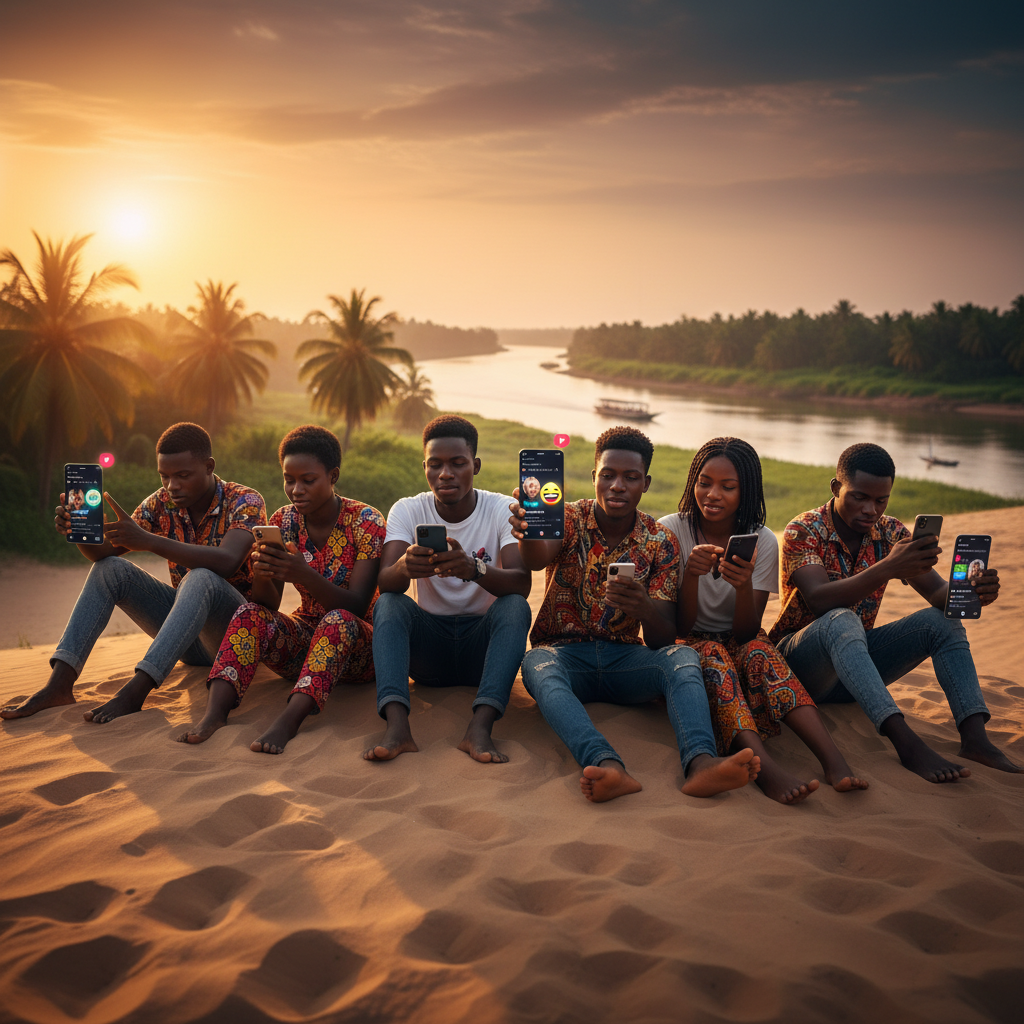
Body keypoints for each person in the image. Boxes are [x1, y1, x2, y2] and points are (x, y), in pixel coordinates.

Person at [514, 426, 761, 803]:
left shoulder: (659, 540)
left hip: (625, 662)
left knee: (683, 655)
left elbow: (664, 637)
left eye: (630, 478)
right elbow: (536, 560)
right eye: (608, 475)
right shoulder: (569, 517)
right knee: (535, 663)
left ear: (645, 483)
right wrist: (528, 533)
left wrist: (643, 605)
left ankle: (701, 763)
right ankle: (606, 764)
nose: (617, 486)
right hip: (564, 656)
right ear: (594, 477)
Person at [770, 442, 1022, 782]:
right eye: (859, 497)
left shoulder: (891, 533)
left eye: (881, 500)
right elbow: (818, 599)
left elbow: (936, 593)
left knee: (942, 622)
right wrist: (887, 567)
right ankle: (906, 744)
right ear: (836, 488)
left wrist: (972, 594)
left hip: (854, 672)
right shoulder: (805, 529)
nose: (870, 509)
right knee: (842, 618)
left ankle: (976, 740)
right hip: (799, 669)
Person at [2, 422, 265, 723]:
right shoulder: (160, 504)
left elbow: (228, 560)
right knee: (110, 570)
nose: (172, 486)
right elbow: (104, 555)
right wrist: (81, 533)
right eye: (164, 476)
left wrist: (149, 541)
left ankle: (136, 691)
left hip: (233, 639)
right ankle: (58, 685)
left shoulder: (245, 500)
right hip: (188, 642)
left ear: (209, 467)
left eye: (182, 475)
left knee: (201, 576)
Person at [659, 437, 868, 805]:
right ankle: (766, 769)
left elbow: (745, 630)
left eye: (728, 486)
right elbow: (679, 628)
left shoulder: (761, 540)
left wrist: (742, 586)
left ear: (747, 491)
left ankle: (834, 760)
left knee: (760, 651)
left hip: (739, 639)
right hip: (689, 645)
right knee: (711, 653)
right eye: (704, 482)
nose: (712, 494)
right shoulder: (671, 531)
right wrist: (690, 576)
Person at [179, 425, 385, 754]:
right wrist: (264, 571)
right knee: (248, 612)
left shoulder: (365, 521)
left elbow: (358, 606)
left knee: (337, 621)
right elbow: (267, 603)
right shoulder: (284, 521)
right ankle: (215, 715)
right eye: (288, 479)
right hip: (305, 644)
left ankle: (288, 721)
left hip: (360, 651)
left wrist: (304, 573)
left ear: (333, 476)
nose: (295, 489)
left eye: (308, 480)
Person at [364, 415, 532, 764]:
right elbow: (385, 582)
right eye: (436, 464)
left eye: (458, 463)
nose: (446, 474)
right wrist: (404, 567)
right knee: (390, 603)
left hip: (481, 652)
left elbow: (521, 582)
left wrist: (474, 568)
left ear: (476, 465)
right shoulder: (408, 509)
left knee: (515, 607)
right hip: (428, 653)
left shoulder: (501, 508)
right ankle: (397, 727)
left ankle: (480, 728)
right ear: (424, 467)